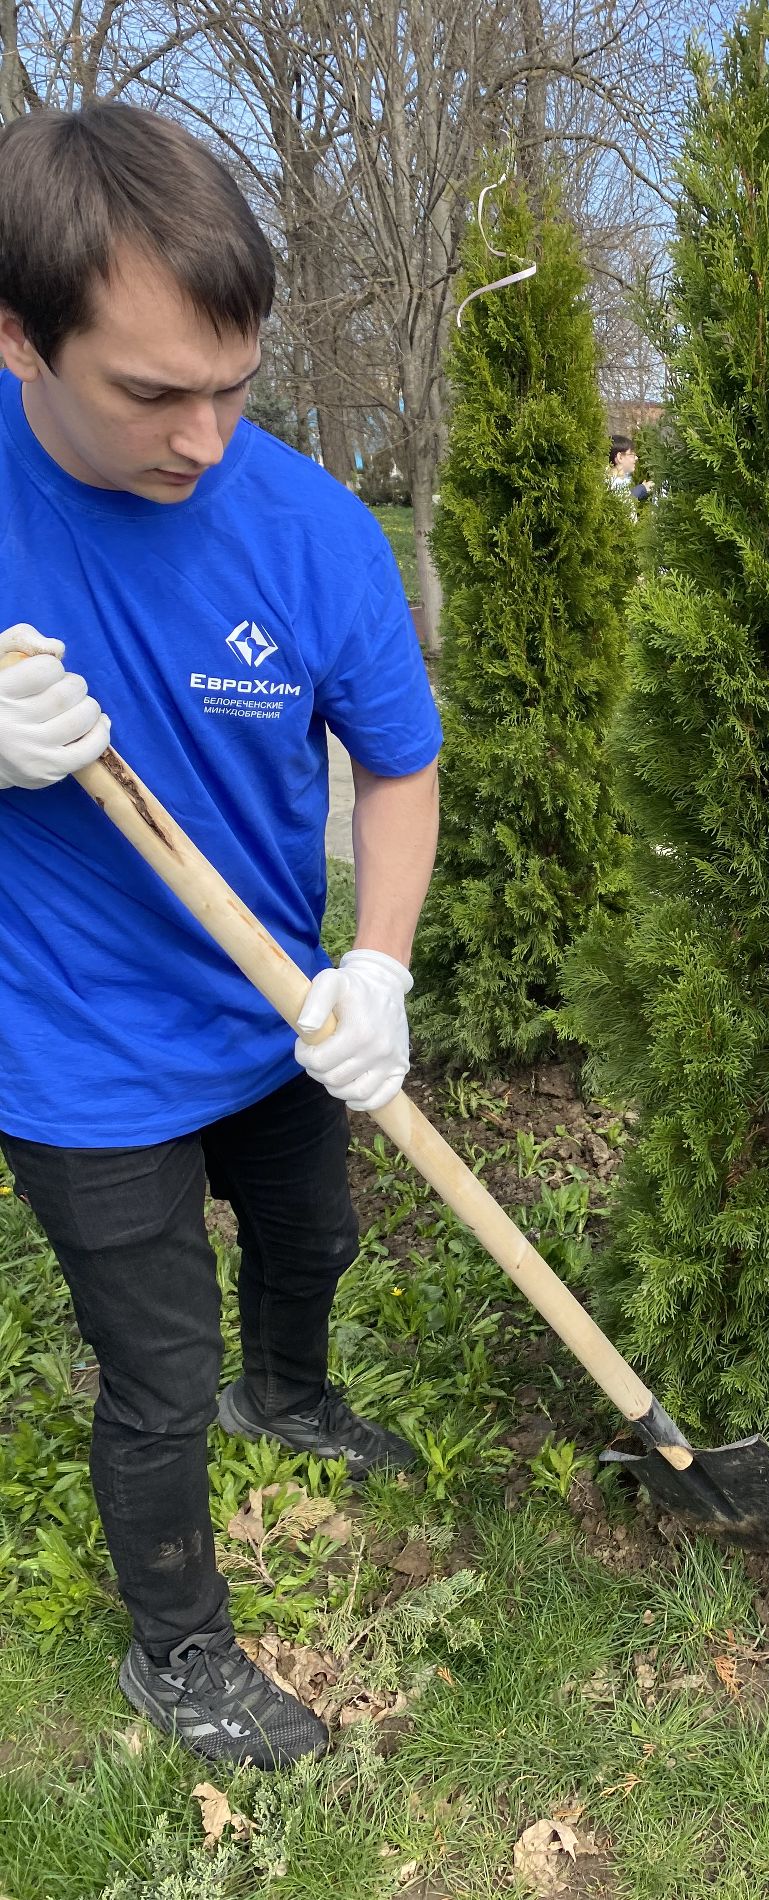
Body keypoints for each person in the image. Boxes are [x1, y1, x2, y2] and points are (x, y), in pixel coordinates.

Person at [0, 105, 442, 1770]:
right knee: (156, 1369)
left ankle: (301, 1397)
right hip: (68, 1034)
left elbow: (400, 766)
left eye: (234, 385)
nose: (205, 439)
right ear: (19, 338)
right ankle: (178, 1650)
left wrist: (380, 964)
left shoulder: (312, 529)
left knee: (313, 1240)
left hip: (275, 1009)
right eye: (152, 394)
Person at [607, 432, 649, 506]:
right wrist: (641, 489)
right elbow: (623, 503)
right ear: (620, 457)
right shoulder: (611, 483)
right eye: (632, 454)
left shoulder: (621, 481)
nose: (636, 458)